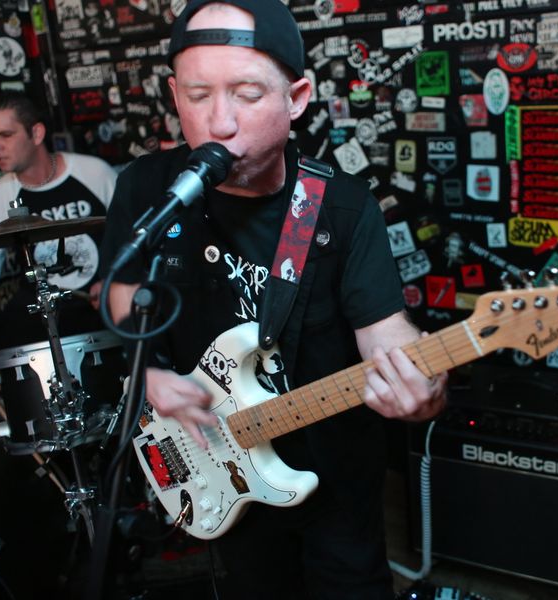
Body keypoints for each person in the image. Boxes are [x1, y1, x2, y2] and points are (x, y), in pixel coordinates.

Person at [99, 1, 447, 598]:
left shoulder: (341, 207)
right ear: (174, 95)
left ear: (297, 98)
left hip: (335, 481)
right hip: (220, 464)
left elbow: (387, 339)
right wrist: (148, 376)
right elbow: (119, 293)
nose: (219, 122)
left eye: (247, 94)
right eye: (197, 95)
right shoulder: (146, 187)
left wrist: (425, 388)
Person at [0, 91, 118, 351]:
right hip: (45, 320)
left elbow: (138, 238)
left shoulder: (95, 173)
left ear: (36, 133)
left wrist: (116, 280)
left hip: (108, 310)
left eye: (5, 135)